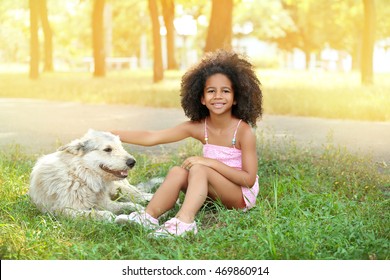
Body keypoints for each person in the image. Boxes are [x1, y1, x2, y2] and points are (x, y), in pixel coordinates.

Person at [112, 49, 263, 237]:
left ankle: (184, 223)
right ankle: (148, 217)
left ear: (235, 98)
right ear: (201, 98)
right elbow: (152, 137)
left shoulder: (243, 131)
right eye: (210, 91)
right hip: (211, 193)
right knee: (178, 172)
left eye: (225, 91)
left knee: (199, 168)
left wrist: (209, 163)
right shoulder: (199, 127)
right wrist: (112, 134)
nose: (218, 96)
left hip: (239, 196)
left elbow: (248, 179)